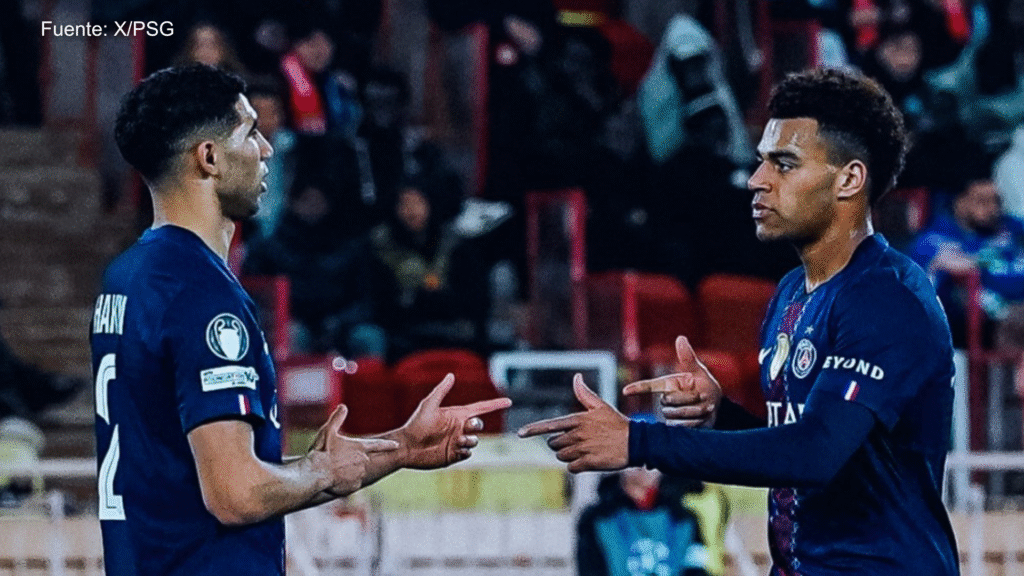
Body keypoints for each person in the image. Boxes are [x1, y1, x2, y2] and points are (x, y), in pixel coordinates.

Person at [520, 68, 959, 575]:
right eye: (761, 161)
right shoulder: (792, 294)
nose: (757, 180)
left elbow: (816, 453)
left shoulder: (888, 297)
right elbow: (801, 448)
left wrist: (640, 442)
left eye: (784, 164)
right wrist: (721, 416)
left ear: (849, 179)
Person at [94, 64, 510, 576]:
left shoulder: (127, 276)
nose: (267, 149)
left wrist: (399, 447)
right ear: (209, 157)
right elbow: (236, 494)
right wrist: (323, 473)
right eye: (250, 133)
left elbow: (194, 472)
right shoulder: (200, 293)